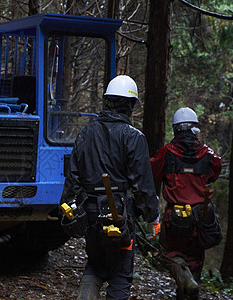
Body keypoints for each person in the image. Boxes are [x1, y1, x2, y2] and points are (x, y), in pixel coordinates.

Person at [60, 75, 160, 300]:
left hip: (90, 215)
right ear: (130, 105)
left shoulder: (86, 133)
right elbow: (143, 186)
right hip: (118, 216)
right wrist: (153, 217)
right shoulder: (134, 137)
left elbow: (73, 178)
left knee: (95, 264)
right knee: (120, 274)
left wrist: (67, 209)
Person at [150, 107, 222, 300]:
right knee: (196, 260)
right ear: (194, 129)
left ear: (176, 129)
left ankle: (184, 277)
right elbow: (215, 172)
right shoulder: (209, 155)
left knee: (168, 254)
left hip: (175, 216)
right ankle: (190, 287)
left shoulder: (166, 153)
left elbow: (153, 171)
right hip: (202, 217)